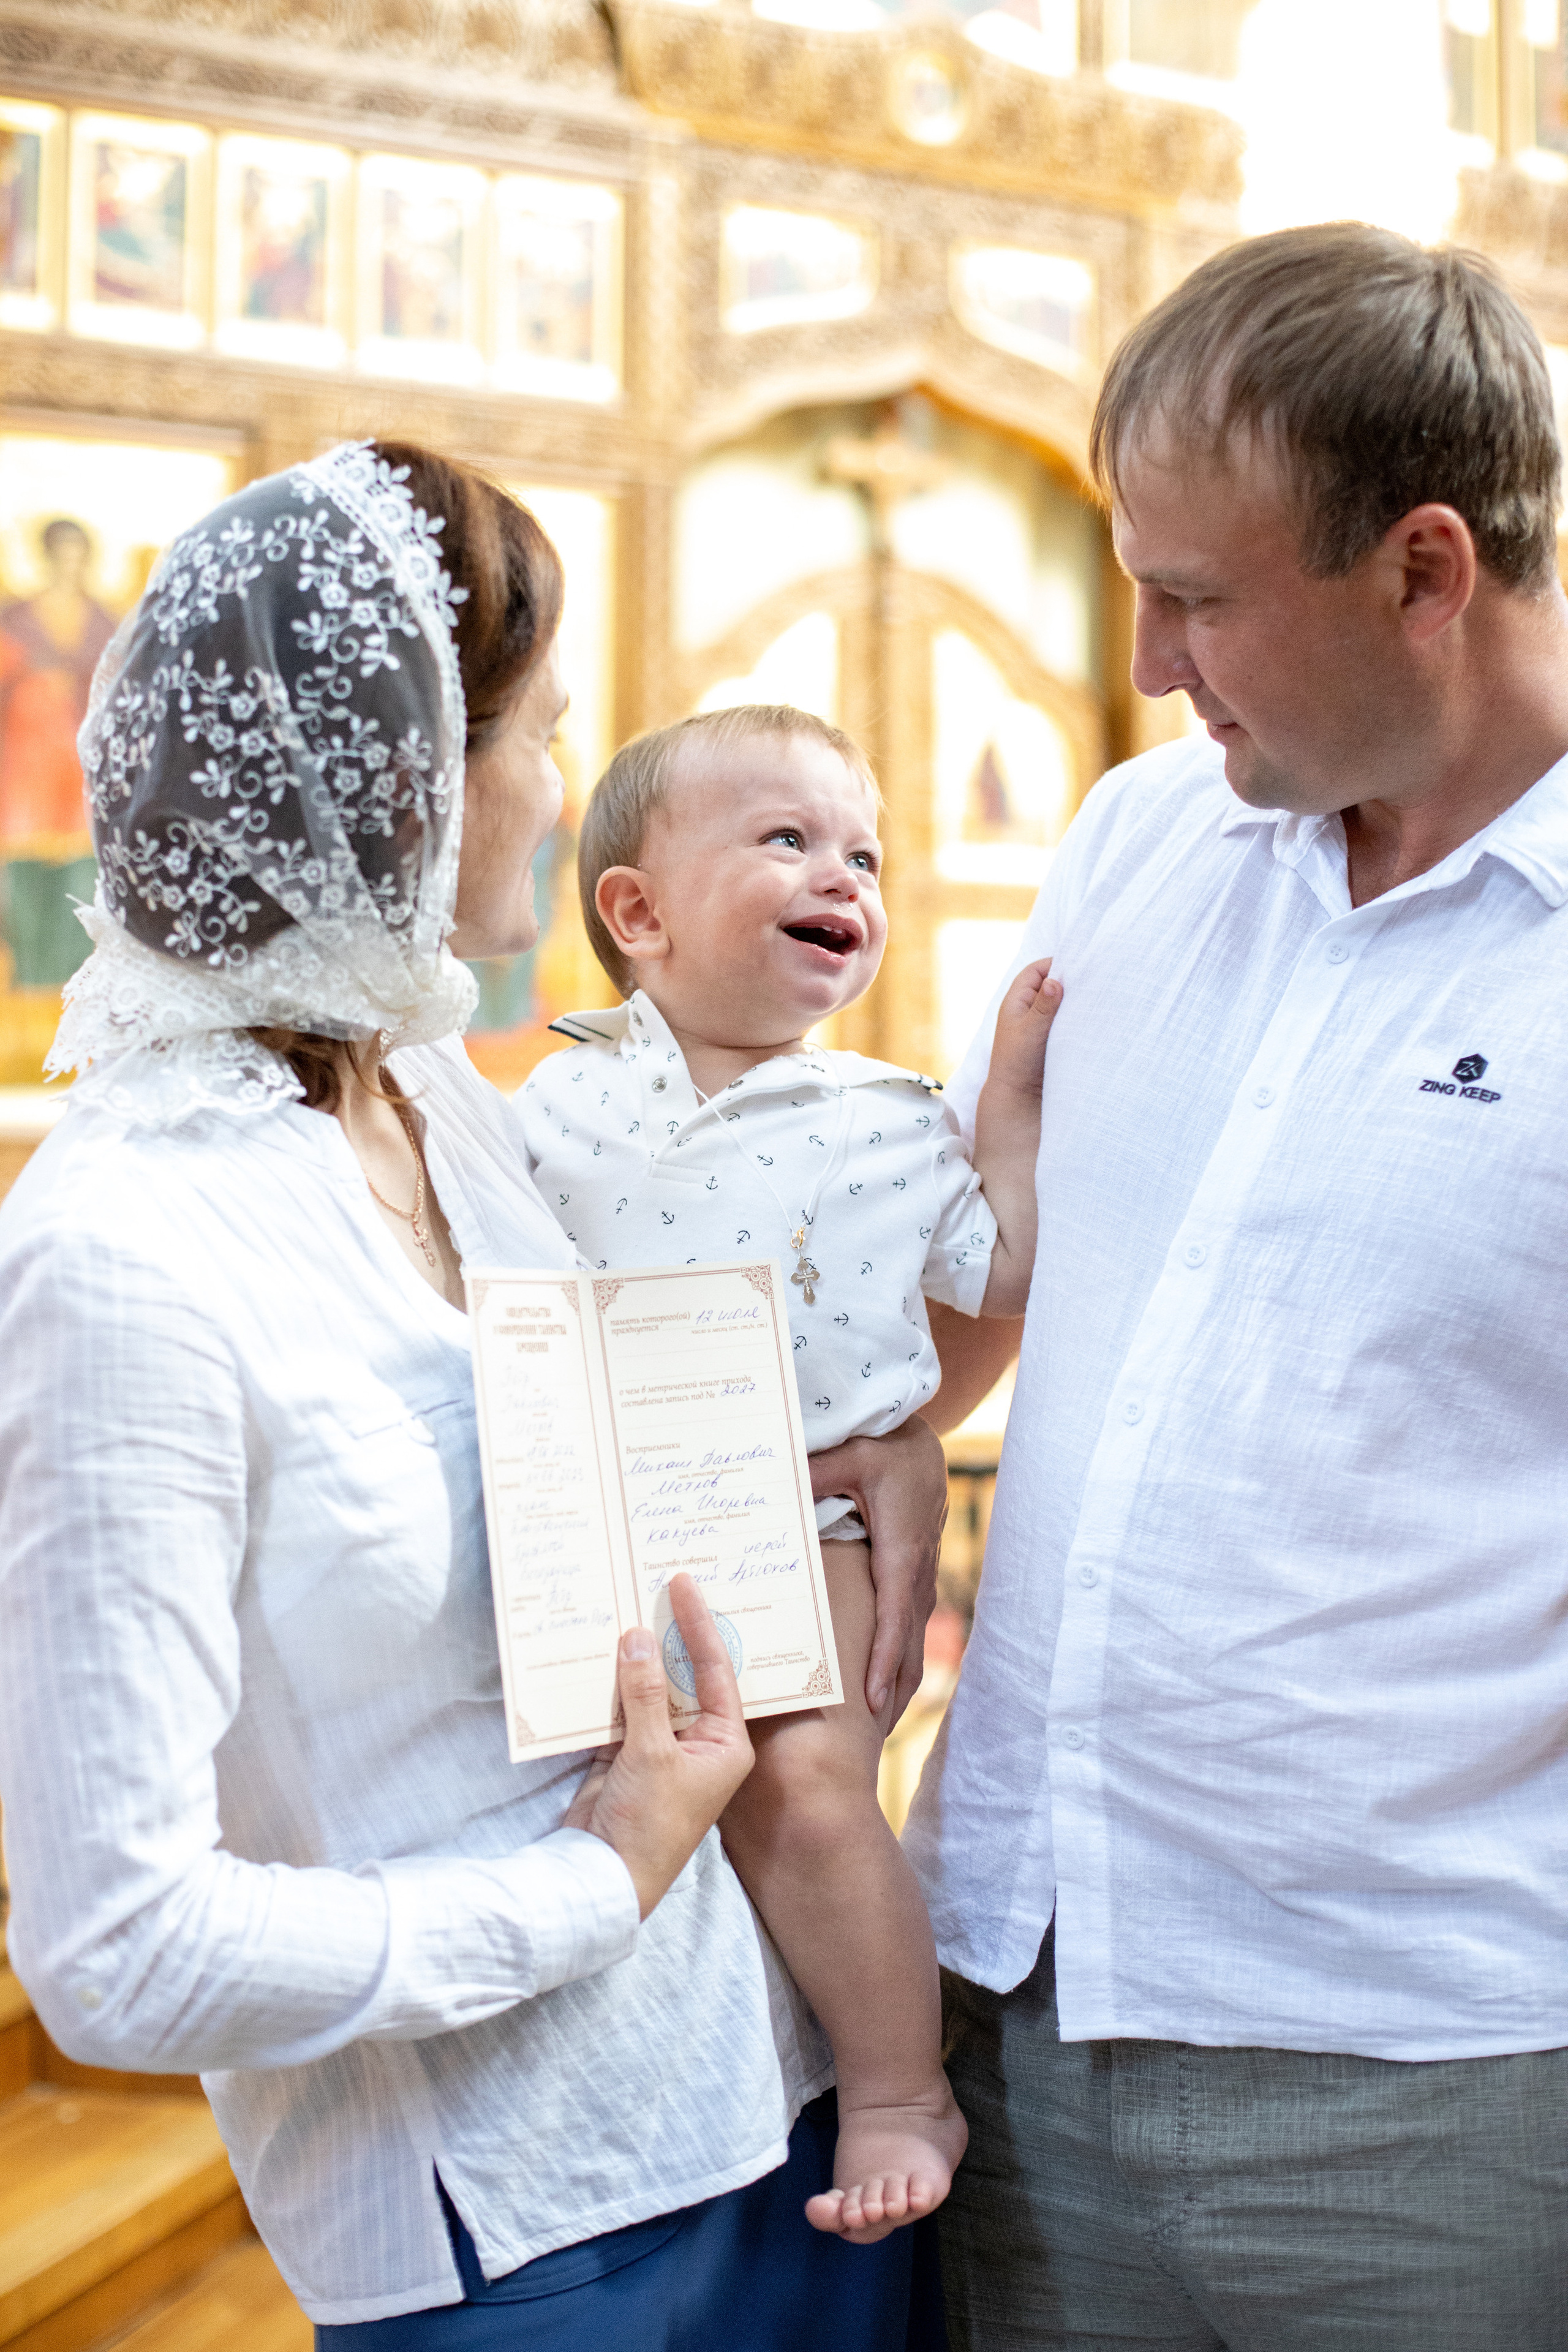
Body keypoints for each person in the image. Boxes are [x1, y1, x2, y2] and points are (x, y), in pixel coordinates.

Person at [0, 439, 953, 2347]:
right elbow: (118, 1952)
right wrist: (596, 1878)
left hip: (789, 2106)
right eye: (541, 733)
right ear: (411, 777)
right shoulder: (120, 1248)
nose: (555, 784)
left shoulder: (445, 1102)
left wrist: (885, 1439)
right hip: (524, 2228)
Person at [905, 223, 1568, 2351]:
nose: (1147, 662)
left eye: (1193, 597)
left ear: (1424, 568)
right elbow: (965, 1293)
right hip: (1014, 1997)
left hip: (1435, 2087)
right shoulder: (1134, 840)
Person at [520, 703, 1058, 2241]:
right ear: (637, 913)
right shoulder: (549, 1102)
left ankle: (896, 2088)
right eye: (787, 839)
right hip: (600, 1523)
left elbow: (1006, 1269)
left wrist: (1006, 1112)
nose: (845, 876)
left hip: (807, 1514)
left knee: (807, 1778)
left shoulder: (885, 1118)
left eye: (864, 855)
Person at [0, 516, 115, 989]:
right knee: (24, 877)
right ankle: (28, 980)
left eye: (78, 555)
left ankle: (70, 982)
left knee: (79, 878)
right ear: (47, 556)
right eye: (62, 554)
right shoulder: (16, 619)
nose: (70, 564)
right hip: (25, 768)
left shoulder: (103, 620)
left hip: (81, 771)